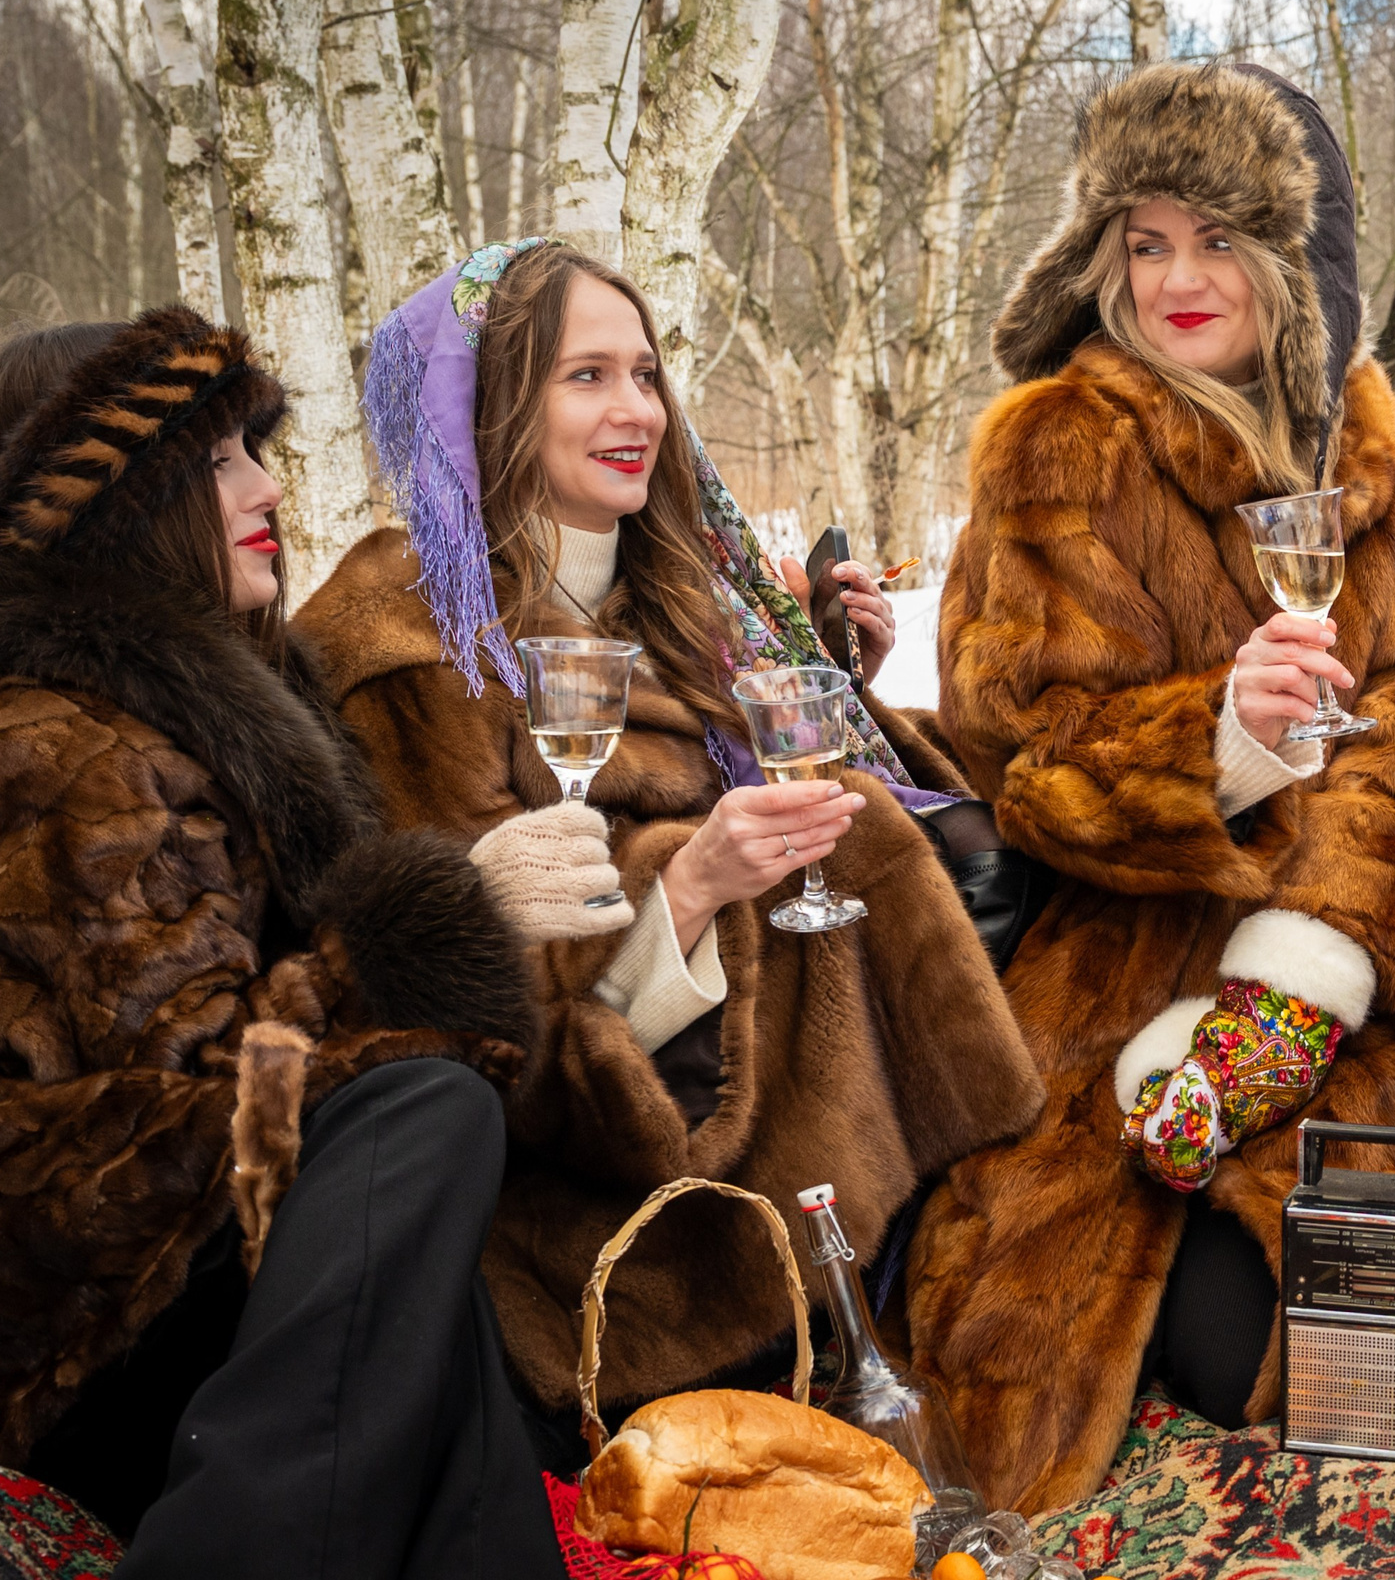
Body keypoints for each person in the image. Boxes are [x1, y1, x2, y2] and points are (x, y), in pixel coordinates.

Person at [294, 241, 1043, 1449]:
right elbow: (469, 1015)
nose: (637, 408)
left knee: (952, 836)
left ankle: (916, 1256)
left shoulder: (672, 601)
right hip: (617, 1194)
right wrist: (687, 890)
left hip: (786, 1119)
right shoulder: (409, 651)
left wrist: (820, 675)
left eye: (644, 372)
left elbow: (762, 779)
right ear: (488, 406)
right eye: (585, 376)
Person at [0, 312, 584, 1576]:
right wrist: (439, 920)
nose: (267, 486)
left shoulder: (225, 706)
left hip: (200, 1270)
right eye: (220, 458)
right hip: (58, 1298)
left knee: (428, 1238)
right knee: (421, 1115)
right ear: (118, 501)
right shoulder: (47, 743)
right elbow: (206, 1089)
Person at [904, 62, 1395, 1512]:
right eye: (1144, 243)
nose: (1177, 281)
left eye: (1218, 238)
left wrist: (1299, 982)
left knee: (1353, 1369)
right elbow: (1016, 753)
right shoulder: (1061, 444)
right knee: (1040, 1358)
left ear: (1294, 258)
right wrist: (1220, 745)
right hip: (1118, 958)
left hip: (1327, 968)